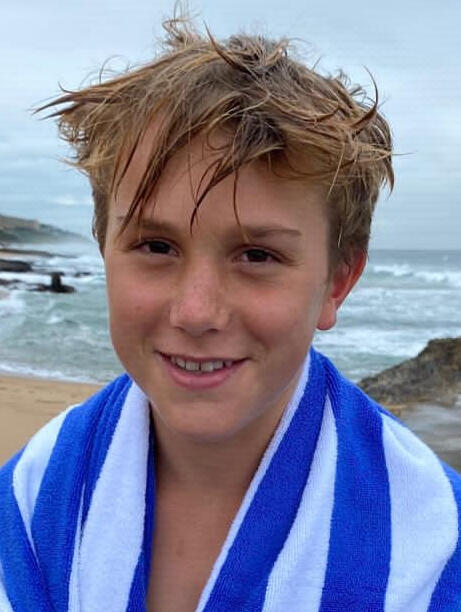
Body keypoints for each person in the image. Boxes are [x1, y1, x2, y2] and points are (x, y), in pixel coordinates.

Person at [0, 15, 460, 612]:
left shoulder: (430, 544)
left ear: (337, 282)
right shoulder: (33, 498)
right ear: (104, 250)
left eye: (257, 255)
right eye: (155, 246)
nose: (196, 312)